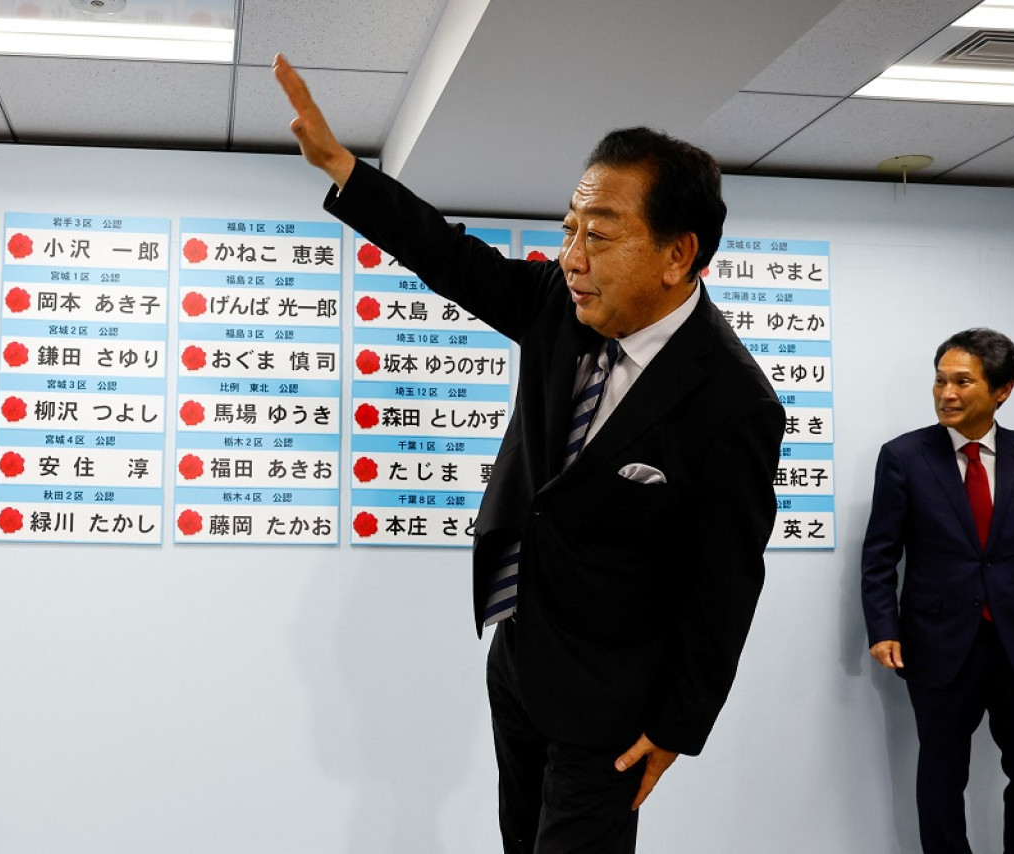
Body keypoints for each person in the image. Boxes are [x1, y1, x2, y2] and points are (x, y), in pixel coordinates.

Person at [273, 54, 785, 851]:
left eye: (601, 235)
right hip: (520, 657)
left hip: (615, 701)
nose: (573, 256)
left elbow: (726, 580)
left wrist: (680, 725)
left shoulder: (734, 403)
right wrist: (345, 170)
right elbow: (452, 260)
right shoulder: (560, 306)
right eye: (570, 229)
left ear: (678, 255)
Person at [861, 328, 1014, 853]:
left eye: (962, 381)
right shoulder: (904, 457)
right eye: (939, 381)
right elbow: (880, 553)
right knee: (939, 780)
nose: (946, 394)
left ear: (1003, 390)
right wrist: (883, 626)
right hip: (938, 644)